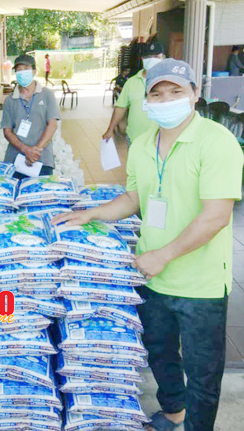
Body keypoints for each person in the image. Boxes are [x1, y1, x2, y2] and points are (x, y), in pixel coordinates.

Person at [54, 59, 244, 431]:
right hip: (152, 275)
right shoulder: (141, 144)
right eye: (157, 93)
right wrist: (91, 214)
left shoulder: (217, 142)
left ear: (195, 95)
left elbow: (217, 215)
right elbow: (134, 199)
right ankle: (173, 411)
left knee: (202, 370)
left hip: (200, 283)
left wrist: (164, 255)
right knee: (159, 354)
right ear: (147, 100)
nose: (166, 99)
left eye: (176, 91)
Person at [1, 54, 60, 180]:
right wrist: (26, 150)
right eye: (19, 69)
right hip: (15, 159)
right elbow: (7, 131)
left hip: (42, 158)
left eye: (26, 68)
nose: (22, 72)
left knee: (42, 196)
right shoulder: (10, 100)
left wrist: (35, 151)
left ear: (34, 71)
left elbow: (53, 124)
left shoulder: (47, 95)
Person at [103, 42, 165, 146]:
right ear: (142, 59)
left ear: (163, 58)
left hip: (162, 140)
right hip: (135, 139)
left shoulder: (169, 82)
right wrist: (110, 129)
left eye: (156, 56)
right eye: (148, 56)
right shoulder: (131, 82)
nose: (152, 59)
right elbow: (120, 108)